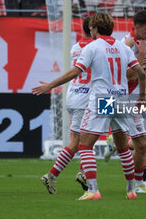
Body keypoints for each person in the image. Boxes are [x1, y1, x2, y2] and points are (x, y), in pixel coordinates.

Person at [32, 12, 146, 200]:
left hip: (103, 100)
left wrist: (50, 85)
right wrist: (141, 98)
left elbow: (76, 71)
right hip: (122, 99)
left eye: (91, 28)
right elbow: (141, 73)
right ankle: (131, 190)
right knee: (123, 147)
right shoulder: (123, 47)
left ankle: (92, 190)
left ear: (94, 29)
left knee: (84, 145)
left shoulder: (92, 47)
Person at [103, 10, 146, 192]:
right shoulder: (126, 45)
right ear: (137, 27)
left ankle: (118, 142)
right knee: (142, 144)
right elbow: (130, 76)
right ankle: (138, 184)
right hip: (128, 99)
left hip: (145, 97)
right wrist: (140, 54)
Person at [39, 17, 93, 194]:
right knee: (82, 141)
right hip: (87, 99)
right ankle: (74, 174)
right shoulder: (95, 47)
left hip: (74, 95)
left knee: (80, 141)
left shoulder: (76, 47)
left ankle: (63, 174)